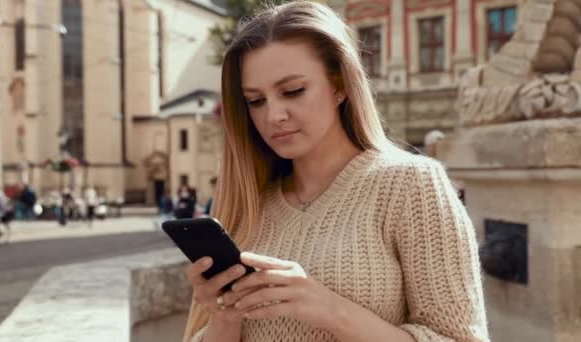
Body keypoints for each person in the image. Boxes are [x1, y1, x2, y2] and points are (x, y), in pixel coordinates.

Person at [182, 2, 489, 342]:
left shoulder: (410, 185)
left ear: (340, 85)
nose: (273, 116)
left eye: (293, 91)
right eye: (255, 100)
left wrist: (330, 310)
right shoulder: (249, 204)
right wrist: (224, 316)